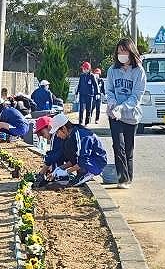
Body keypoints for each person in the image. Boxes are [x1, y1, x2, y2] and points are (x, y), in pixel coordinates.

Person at [104, 38, 146, 188]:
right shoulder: (112, 70)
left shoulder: (139, 71)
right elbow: (109, 90)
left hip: (131, 115)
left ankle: (129, 178)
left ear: (131, 52)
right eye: (119, 51)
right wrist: (112, 103)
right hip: (114, 115)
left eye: (124, 51)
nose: (121, 54)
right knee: (118, 145)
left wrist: (121, 108)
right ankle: (122, 178)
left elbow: (136, 96)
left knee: (128, 148)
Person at [33, 111, 107, 189]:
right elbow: (74, 159)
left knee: (72, 184)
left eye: (57, 132)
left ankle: (87, 173)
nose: (57, 135)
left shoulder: (80, 136)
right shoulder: (70, 136)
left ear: (64, 128)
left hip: (95, 164)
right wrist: (60, 169)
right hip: (87, 162)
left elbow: (83, 160)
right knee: (66, 150)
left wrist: (67, 171)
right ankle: (81, 173)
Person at [76, 61, 100, 126]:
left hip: (89, 95)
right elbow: (79, 84)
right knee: (81, 109)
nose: (83, 70)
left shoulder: (92, 76)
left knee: (88, 109)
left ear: (88, 69)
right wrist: (77, 93)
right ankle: (80, 122)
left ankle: (87, 122)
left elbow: (95, 85)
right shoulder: (81, 76)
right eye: (83, 69)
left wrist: (97, 93)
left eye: (84, 68)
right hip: (82, 94)